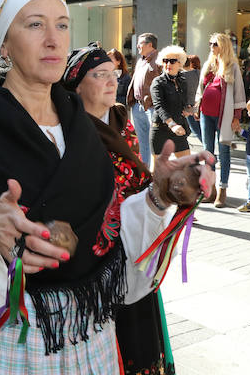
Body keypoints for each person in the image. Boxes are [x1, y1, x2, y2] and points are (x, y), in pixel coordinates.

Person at [0, 0, 213, 374]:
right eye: (35, 24)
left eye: (61, 24)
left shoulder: (81, 124)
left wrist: (159, 194)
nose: (53, 38)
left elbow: (109, 233)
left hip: (91, 338)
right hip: (8, 341)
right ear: (3, 43)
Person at [64, 43, 177, 375]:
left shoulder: (121, 117)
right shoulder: (68, 128)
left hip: (136, 243)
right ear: (76, 84)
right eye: (99, 75)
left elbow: (136, 174)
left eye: (112, 73)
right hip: (98, 255)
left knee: (141, 329)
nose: (111, 80)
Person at [196, 32, 246, 208]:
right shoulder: (209, 65)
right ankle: (211, 190)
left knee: (224, 152)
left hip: (223, 115)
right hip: (205, 114)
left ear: (223, 46)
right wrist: (197, 107)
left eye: (215, 44)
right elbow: (200, 89)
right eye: (210, 43)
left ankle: (223, 190)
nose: (211, 47)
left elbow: (239, 93)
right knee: (208, 153)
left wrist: (236, 117)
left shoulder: (232, 66)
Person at [150, 45, 191, 160]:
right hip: (160, 130)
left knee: (187, 166)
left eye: (172, 61)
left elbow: (183, 102)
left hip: (178, 129)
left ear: (180, 63)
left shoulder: (182, 81)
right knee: (159, 172)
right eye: (165, 61)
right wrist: (172, 124)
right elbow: (159, 106)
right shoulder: (158, 82)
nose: (168, 64)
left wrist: (188, 109)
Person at [126, 32, 161, 162]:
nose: (137, 46)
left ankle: (158, 176)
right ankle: (145, 175)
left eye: (140, 43)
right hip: (137, 106)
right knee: (142, 143)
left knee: (155, 143)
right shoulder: (141, 60)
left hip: (152, 108)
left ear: (149, 44)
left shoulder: (159, 60)